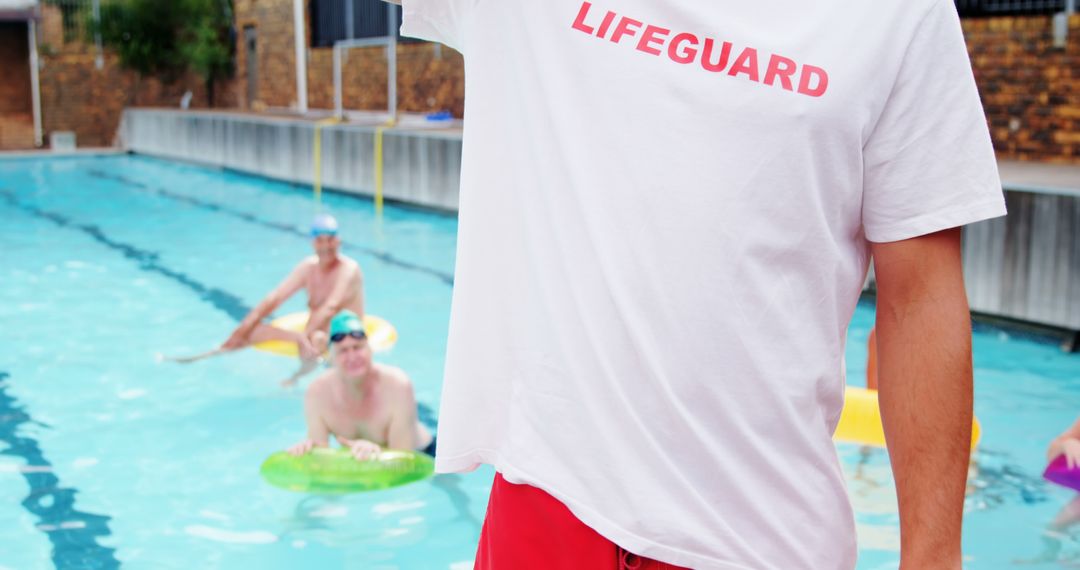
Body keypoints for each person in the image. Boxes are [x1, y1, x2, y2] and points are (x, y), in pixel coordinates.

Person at [390, 0, 1007, 568]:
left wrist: (932, 557)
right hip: (549, 500)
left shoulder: (898, 13)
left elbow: (919, 295)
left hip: (762, 537)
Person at [220, 213, 364, 386]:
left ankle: (298, 379)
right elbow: (275, 298)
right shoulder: (308, 268)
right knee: (253, 332)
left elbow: (330, 307)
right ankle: (232, 346)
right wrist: (240, 332)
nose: (326, 246)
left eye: (330, 240)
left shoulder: (349, 269)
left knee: (317, 338)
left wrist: (305, 335)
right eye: (320, 240)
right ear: (313, 242)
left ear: (338, 241)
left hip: (342, 335)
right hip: (311, 334)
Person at [287, 311, 435, 458]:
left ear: (370, 349)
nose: (352, 357)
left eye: (358, 347)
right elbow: (320, 461)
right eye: (343, 351)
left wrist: (375, 452)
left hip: (423, 455)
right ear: (331, 358)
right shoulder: (317, 393)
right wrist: (307, 452)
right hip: (362, 459)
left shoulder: (397, 385)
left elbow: (403, 460)